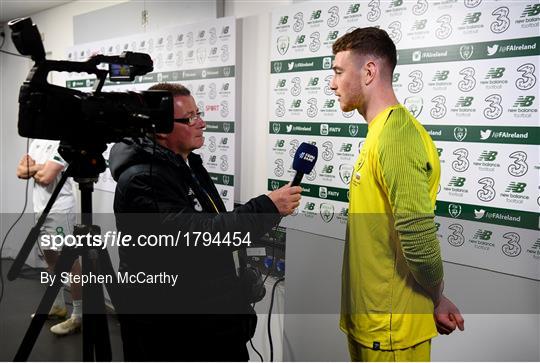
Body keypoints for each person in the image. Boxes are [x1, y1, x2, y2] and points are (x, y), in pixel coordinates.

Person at [109, 82, 301, 361]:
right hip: (174, 330)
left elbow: (212, 224)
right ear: (160, 128)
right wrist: (267, 207)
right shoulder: (143, 179)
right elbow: (198, 235)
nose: (201, 123)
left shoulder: (187, 165)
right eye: (190, 118)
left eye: (198, 113)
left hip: (206, 318)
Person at [330, 27, 464, 361]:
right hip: (373, 325)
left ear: (369, 71)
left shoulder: (396, 137)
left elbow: (419, 239)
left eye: (337, 72)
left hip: (391, 332)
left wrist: (435, 298)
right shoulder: (380, 133)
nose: (332, 84)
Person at [16, 140, 83, 335]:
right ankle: (57, 306)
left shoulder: (63, 141)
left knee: (70, 263)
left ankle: (78, 316)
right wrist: (41, 168)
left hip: (60, 210)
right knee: (51, 260)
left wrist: (35, 169)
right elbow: (20, 172)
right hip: (40, 209)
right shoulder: (37, 141)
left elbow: (46, 177)